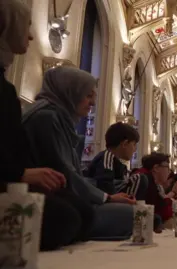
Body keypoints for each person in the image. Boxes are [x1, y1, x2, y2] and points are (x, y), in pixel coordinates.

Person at [0, 0, 95, 251]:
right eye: (26, 25)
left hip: (14, 181)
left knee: (75, 213)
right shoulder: (46, 117)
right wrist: (19, 174)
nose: (31, 35)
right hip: (10, 183)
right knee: (67, 216)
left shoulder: (7, 89)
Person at [22, 66, 137, 240]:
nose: (93, 103)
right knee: (133, 215)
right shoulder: (46, 118)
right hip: (46, 201)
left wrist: (106, 198)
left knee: (135, 214)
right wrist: (107, 198)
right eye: (88, 95)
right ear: (69, 92)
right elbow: (64, 172)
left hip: (67, 198)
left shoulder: (60, 120)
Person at [85, 122, 148, 200]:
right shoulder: (107, 156)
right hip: (106, 203)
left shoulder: (117, 163)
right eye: (134, 144)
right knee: (139, 178)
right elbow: (105, 186)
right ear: (124, 144)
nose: (135, 149)